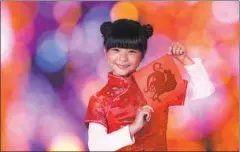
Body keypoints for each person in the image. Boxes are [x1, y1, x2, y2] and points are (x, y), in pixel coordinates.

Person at [85, 19, 215, 151]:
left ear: (142, 55)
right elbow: (96, 147)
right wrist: (134, 127)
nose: (123, 58)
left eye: (131, 51)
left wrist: (185, 60)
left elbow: (204, 89)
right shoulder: (100, 100)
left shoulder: (153, 82)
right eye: (116, 50)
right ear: (105, 51)